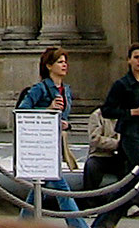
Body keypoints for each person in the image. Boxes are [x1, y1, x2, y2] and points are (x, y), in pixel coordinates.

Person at [17, 47, 87, 228]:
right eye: (60, 62)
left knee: (39, 189)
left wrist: (66, 124)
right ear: (49, 66)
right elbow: (22, 112)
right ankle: (79, 226)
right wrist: (47, 110)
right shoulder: (39, 89)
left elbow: (63, 118)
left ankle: (22, 223)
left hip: (55, 145)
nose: (64, 65)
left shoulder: (66, 90)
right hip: (42, 146)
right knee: (60, 188)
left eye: (65, 62)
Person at [92, 43, 139, 228]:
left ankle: (103, 223)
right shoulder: (122, 84)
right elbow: (107, 110)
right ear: (129, 60)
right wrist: (132, 112)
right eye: (136, 57)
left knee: (130, 182)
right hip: (130, 136)